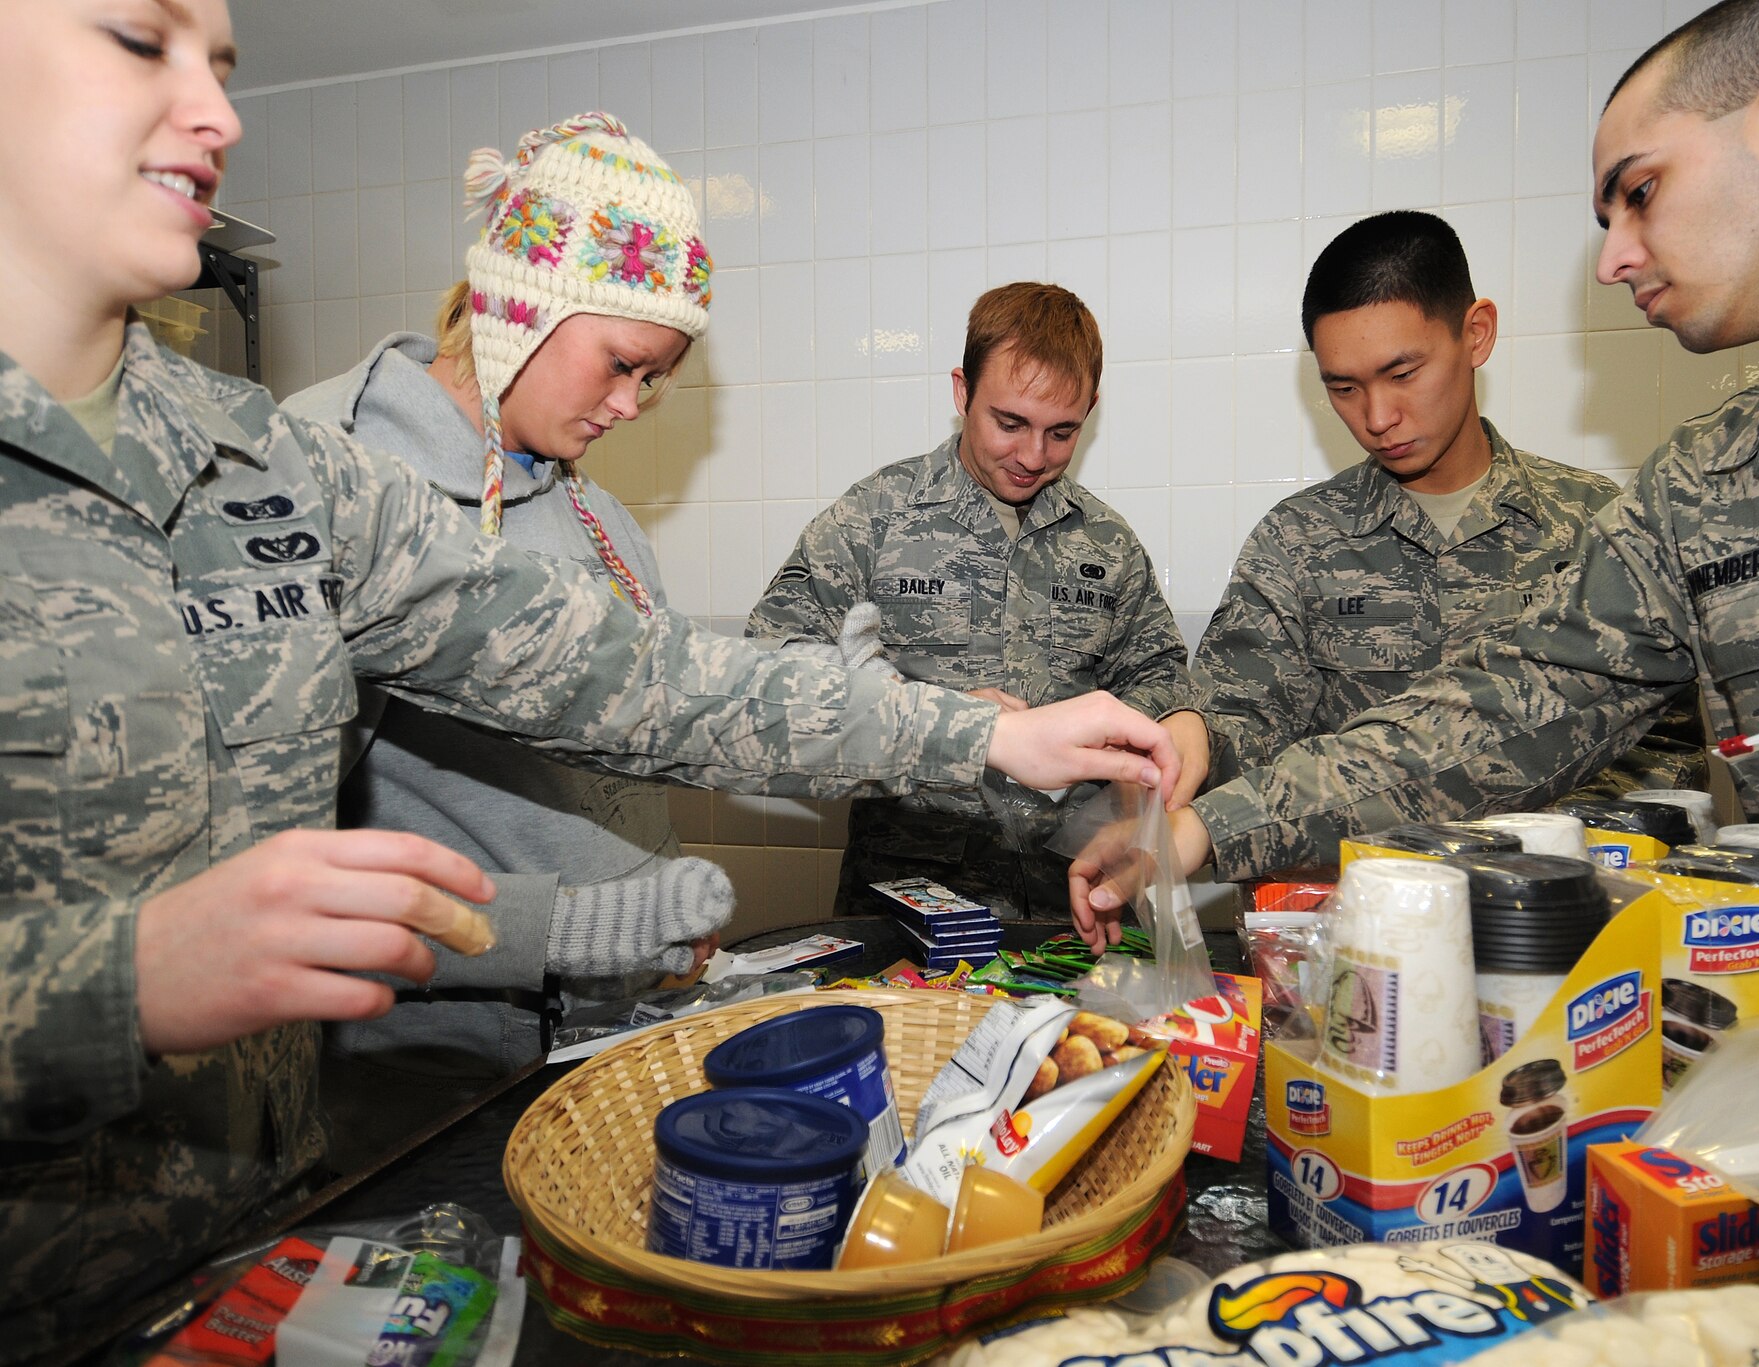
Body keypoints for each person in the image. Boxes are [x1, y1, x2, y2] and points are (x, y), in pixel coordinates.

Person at [0, 3, 1178, 1356]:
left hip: (267, 1227)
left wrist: (978, 736)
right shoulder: (337, 441)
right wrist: (120, 979)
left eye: (222, 62)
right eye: (139, 40)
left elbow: (648, 681)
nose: (220, 114)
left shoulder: (273, 469)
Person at [1074, 0, 1759, 1066]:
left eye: (1639, 191)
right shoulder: (1699, 486)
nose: (1612, 258)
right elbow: (1500, 709)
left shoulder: (1598, 500)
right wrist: (1201, 826)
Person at [284, 116, 735, 1123]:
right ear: (520, 306)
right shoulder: (336, 477)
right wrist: (576, 927)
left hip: (607, 1039)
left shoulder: (595, 511)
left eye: (654, 378)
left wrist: (658, 897)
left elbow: (644, 737)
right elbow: (276, 885)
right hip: (440, 1077)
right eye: (620, 363)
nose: (632, 404)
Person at [1195, 210, 1704, 801]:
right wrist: (1194, 738)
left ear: (1477, 334)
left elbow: (1665, 747)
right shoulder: (1296, 541)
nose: (1377, 417)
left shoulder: (1599, 524)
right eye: (1344, 388)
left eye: (1403, 373)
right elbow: (1238, 730)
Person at [746, 283, 1206, 919]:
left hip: (1073, 903)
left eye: (1062, 431)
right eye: (1009, 423)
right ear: (962, 393)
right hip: (914, 907)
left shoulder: (1106, 540)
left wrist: (1166, 732)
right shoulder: (874, 519)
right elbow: (771, 666)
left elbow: (1159, 674)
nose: (1033, 456)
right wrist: (940, 715)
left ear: (1091, 411)